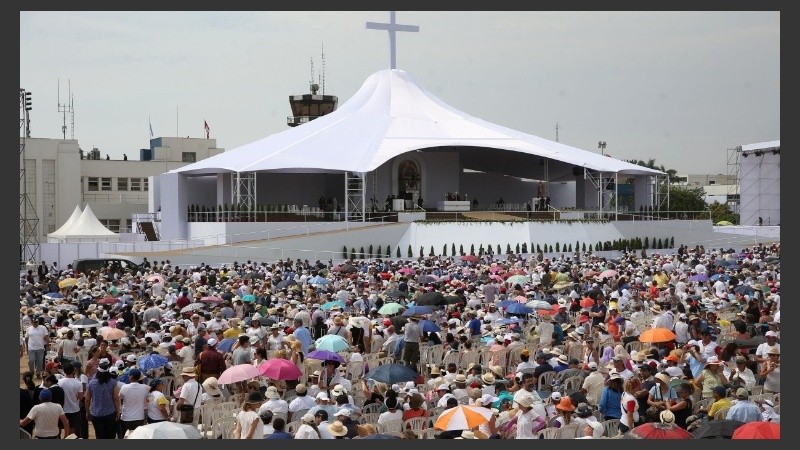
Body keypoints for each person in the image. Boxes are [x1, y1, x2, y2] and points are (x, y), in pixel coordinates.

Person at [84, 359, 120, 439]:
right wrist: (118, 411)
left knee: (99, 435)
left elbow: (87, 399)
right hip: (110, 413)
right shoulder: (113, 382)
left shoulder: (91, 383)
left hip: (96, 414)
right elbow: (116, 398)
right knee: (110, 435)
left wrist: (87, 412)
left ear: (98, 371)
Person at [118, 368, 149, 434]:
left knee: (124, 436)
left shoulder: (124, 387)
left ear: (131, 377)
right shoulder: (145, 387)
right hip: (139, 418)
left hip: (126, 417)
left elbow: (120, 398)